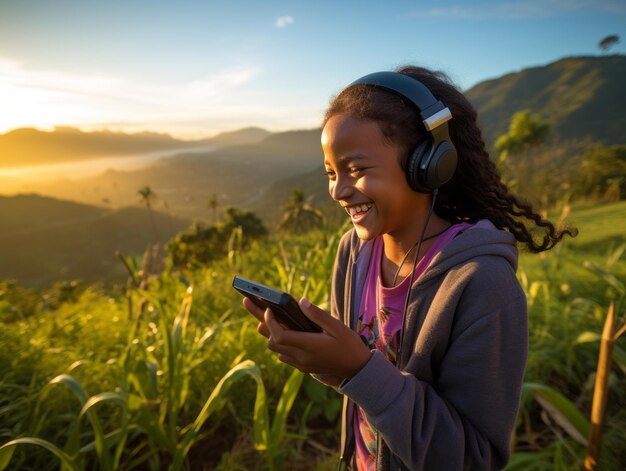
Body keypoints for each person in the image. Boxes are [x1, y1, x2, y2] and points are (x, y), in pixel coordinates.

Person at [242, 66, 575, 470]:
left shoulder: (481, 284)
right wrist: (326, 361)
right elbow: (363, 388)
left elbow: (475, 458)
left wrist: (358, 369)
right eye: (331, 173)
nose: (338, 191)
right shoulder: (353, 252)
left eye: (357, 169)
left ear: (429, 164)